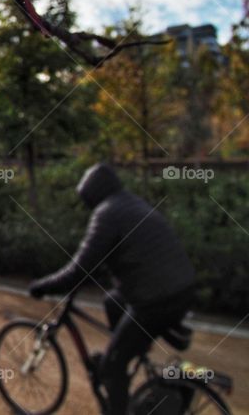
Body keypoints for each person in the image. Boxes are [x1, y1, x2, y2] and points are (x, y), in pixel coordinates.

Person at [28, 163, 196, 415]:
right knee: (111, 302)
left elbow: (78, 270)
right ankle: (132, 351)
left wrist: (42, 286)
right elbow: (129, 253)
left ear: (92, 194)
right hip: (180, 289)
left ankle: (118, 374)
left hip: (156, 299)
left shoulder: (106, 214)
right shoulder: (130, 203)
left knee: (110, 367)